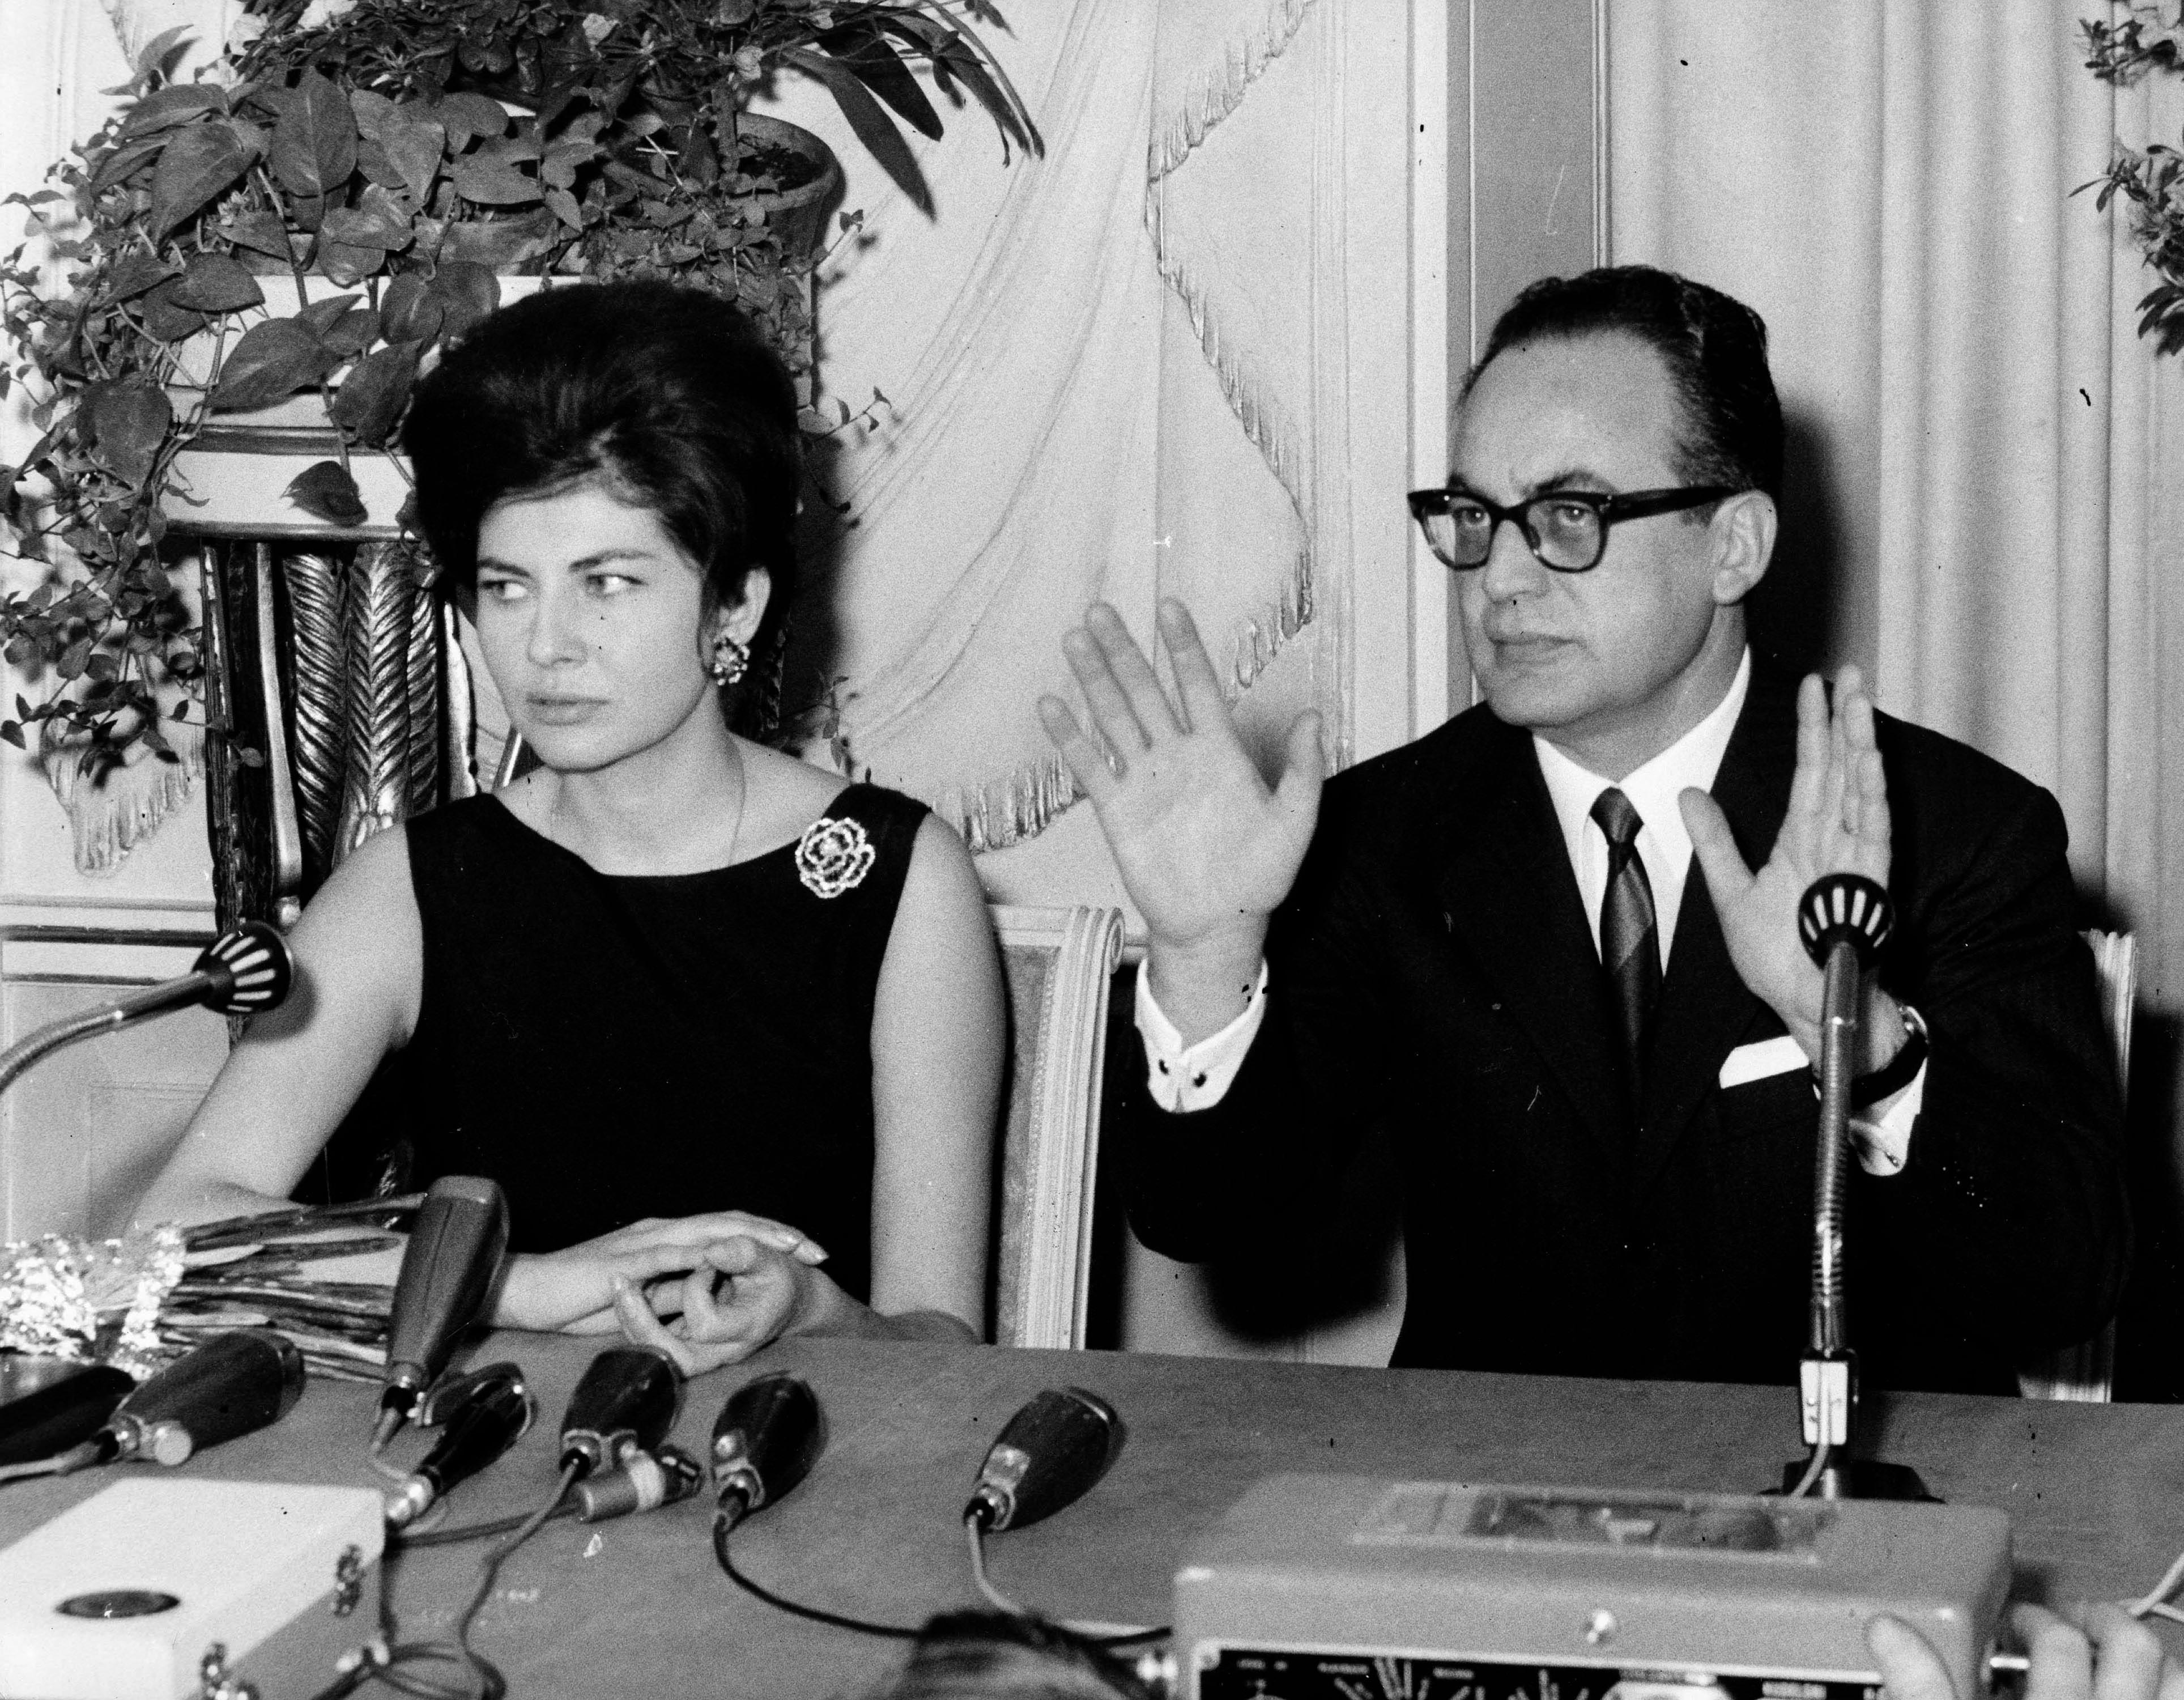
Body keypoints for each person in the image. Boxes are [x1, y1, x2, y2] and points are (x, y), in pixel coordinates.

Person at [1041, 265, 2127, 1392]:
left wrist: (1848, 1030)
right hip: (1489, 1487)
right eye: (1474, 517)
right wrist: (1202, 959)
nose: (1500, 579)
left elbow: (2065, 1280)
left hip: (1846, 1483)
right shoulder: (1383, 835)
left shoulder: (1950, 830)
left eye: (1571, 515)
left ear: (1733, 546)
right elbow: (1210, 1219)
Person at [134, 280, 1006, 1368]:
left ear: (733, 604)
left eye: (608, 582)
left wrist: (809, 1311)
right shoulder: (415, 885)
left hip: (799, 1448)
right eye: (507, 587)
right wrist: (516, 1286)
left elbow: (942, 1348)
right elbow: (173, 1234)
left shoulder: (897, 877)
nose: (547, 644)